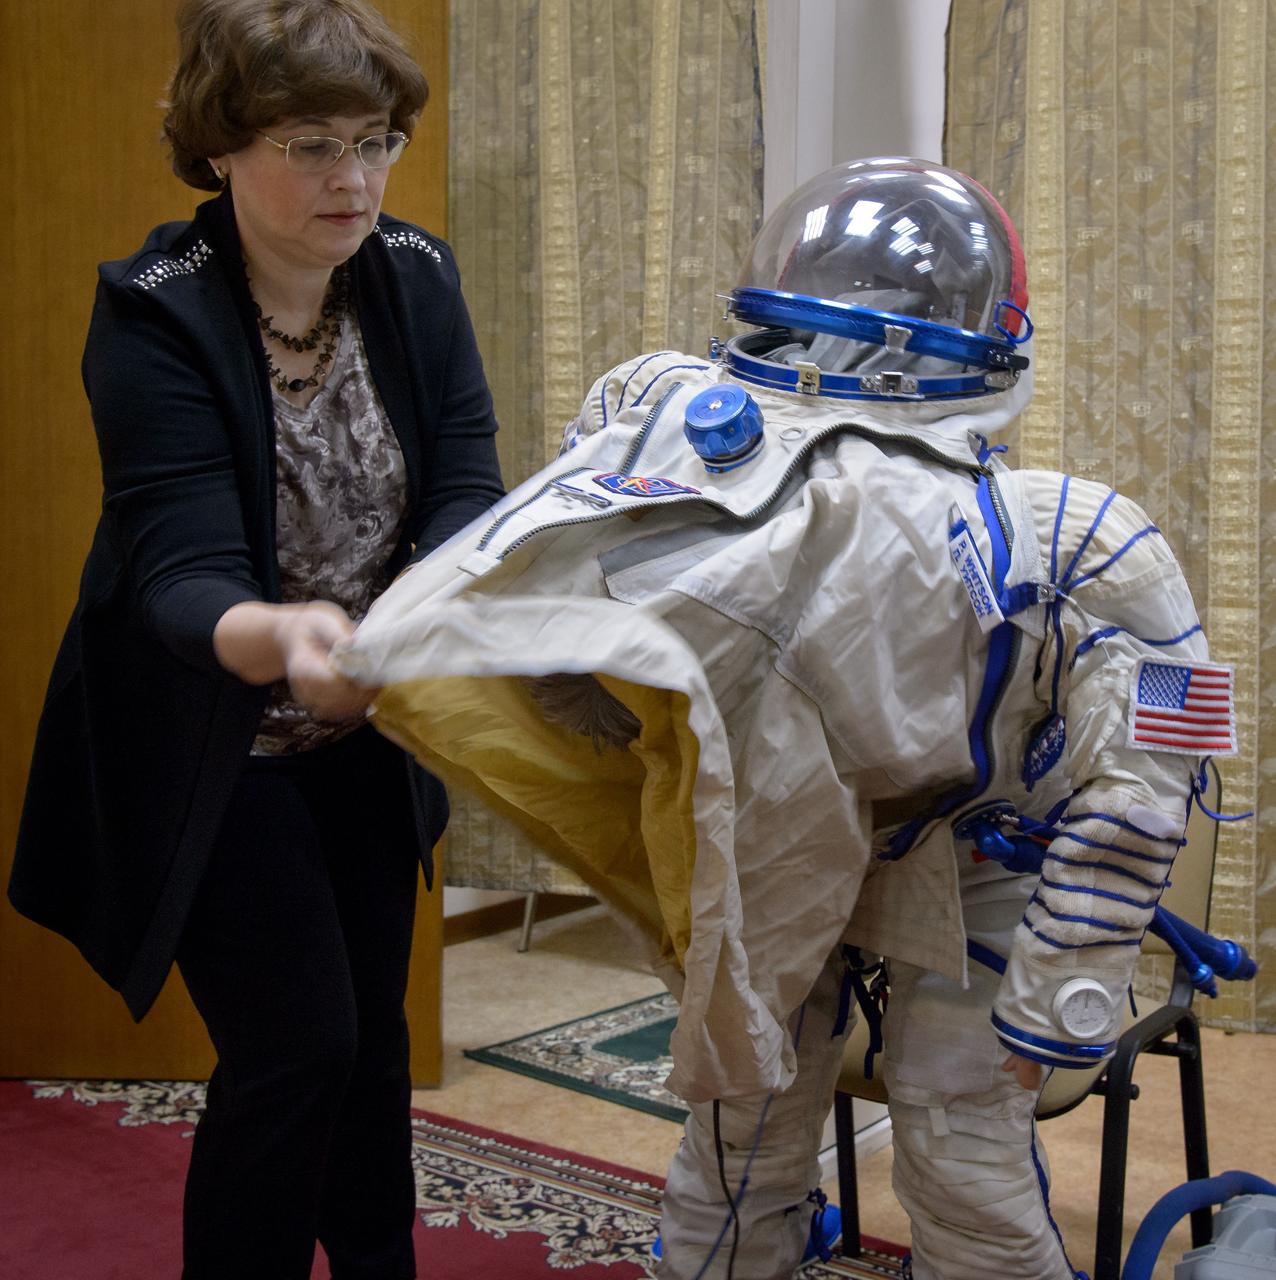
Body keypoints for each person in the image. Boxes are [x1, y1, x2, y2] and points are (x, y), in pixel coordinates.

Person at [336, 158, 1233, 1278]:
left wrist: (1058, 1004)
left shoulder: (1078, 540)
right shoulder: (662, 423)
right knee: (740, 1132)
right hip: (785, 833)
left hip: (977, 854)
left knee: (957, 1143)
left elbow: (1144, 793)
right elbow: (566, 627)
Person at [8, 1, 503, 1275]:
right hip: (208, 745)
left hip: (366, 724)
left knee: (372, 1046)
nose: (354, 178)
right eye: (309, 144)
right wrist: (284, 632)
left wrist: (416, 612)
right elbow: (177, 574)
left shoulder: (416, 275)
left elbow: (465, 485)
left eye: (374, 139)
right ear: (221, 146)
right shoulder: (154, 313)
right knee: (296, 1049)